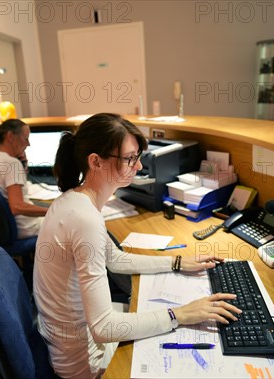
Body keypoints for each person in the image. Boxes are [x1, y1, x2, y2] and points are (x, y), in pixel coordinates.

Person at [33, 113, 241, 378]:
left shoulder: (73, 200)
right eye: (131, 158)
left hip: (71, 339)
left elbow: (115, 259)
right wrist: (182, 314)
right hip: (82, 361)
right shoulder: (84, 218)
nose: (140, 165)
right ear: (96, 161)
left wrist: (177, 262)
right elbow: (104, 327)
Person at [0, 118, 48, 239]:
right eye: (26, 138)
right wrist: (51, 211)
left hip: (2, 228)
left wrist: (23, 164)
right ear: (11, 136)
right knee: (66, 219)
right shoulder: (12, 163)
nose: (28, 144)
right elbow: (17, 206)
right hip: (25, 227)